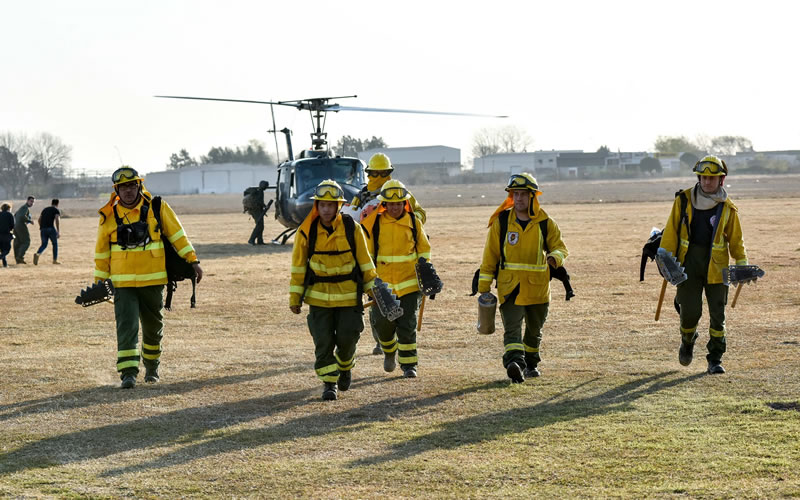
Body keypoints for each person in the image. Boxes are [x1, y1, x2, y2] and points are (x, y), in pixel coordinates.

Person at [94, 166, 203, 389]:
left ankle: (152, 369)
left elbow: (178, 235)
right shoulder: (108, 216)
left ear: (139, 186)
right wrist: (100, 283)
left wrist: (193, 260)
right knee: (127, 327)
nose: (128, 190)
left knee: (153, 328)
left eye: (132, 185)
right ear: (116, 190)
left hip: (153, 281)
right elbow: (101, 253)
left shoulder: (157, 207)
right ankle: (128, 373)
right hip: (123, 283)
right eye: (123, 186)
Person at [289, 179, 378, 401]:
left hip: (349, 299)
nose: (326, 209)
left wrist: (373, 289)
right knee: (323, 344)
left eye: (331, 205)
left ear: (339, 206)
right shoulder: (306, 231)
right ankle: (329, 384)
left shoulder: (352, 229)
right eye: (322, 205)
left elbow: (365, 263)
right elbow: (298, 267)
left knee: (348, 340)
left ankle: (345, 368)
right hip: (319, 301)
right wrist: (295, 298)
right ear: (316, 206)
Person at [477, 173, 569, 383]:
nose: (518, 198)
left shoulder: (546, 223)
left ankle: (531, 364)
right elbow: (490, 254)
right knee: (512, 328)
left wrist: (555, 258)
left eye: (523, 195)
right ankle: (514, 363)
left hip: (538, 288)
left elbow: (560, 248)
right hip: (510, 288)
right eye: (515, 194)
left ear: (532, 197)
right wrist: (484, 285)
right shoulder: (501, 222)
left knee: (534, 331)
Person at [659, 155, 747, 375]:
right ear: (699, 177)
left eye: (712, 178)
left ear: (721, 180)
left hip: (718, 268)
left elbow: (736, 240)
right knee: (690, 313)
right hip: (687, 265)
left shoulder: (728, 208)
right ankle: (687, 341)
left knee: (718, 316)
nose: (707, 182)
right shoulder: (683, 200)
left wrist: (742, 261)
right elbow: (671, 231)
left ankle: (715, 359)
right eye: (704, 177)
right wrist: (665, 258)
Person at [345, 152, 427, 355]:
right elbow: (350, 219)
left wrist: (406, 221)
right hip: (372, 251)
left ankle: (394, 343)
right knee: (377, 301)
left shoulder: (400, 192)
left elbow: (420, 214)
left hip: (402, 252)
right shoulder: (362, 195)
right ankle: (382, 341)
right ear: (369, 173)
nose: (379, 177)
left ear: (389, 172)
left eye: (383, 173)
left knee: (402, 306)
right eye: (375, 173)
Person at [361, 180, 431, 379]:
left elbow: (424, 249)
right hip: (382, 286)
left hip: (409, 284)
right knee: (383, 325)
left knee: (407, 325)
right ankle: (389, 351)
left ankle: (409, 366)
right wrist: (369, 283)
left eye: (399, 203)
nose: (394, 207)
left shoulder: (413, 222)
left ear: (405, 204)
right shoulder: (374, 224)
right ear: (384, 204)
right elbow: (367, 255)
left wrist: (425, 268)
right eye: (391, 204)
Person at [245, 180, 273, 245]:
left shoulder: (258, 191)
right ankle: (251, 240)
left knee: (260, 225)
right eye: (266, 186)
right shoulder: (260, 192)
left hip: (257, 210)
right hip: (256, 211)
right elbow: (259, 202)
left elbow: (260, 202)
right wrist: (265, 206)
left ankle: (260, 241)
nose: (266, 187)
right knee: (259, 226)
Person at [33, 199, 60, 265]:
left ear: (51, 203)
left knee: (44, 244)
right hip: (51, 228)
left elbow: (39, 219)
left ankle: (38, 253)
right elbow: (57, 219)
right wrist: (58, 230)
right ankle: (54, 260)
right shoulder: (56, 210)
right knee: (55, 244)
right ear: (57, 204)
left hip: (43, 229)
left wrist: (41, 227)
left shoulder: (45, 209)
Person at [13, 196, 34, 264]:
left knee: (17, 243)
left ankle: (17, 259)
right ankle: (20, 257)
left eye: (33, 202)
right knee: (26, 242)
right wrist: (29, 221)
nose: (32, 203)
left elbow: (15, 215)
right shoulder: (25, 208)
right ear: (27, 200)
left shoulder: (21, 208)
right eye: (31, 201)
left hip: (16, 226)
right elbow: (22, 216)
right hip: (21, 226)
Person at [0, 203, 14, 268]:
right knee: (7, 249)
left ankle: (5, 264)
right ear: (8, 208)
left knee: (2, 249)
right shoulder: (9, 215)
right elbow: (13, 225)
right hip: (6, 234)